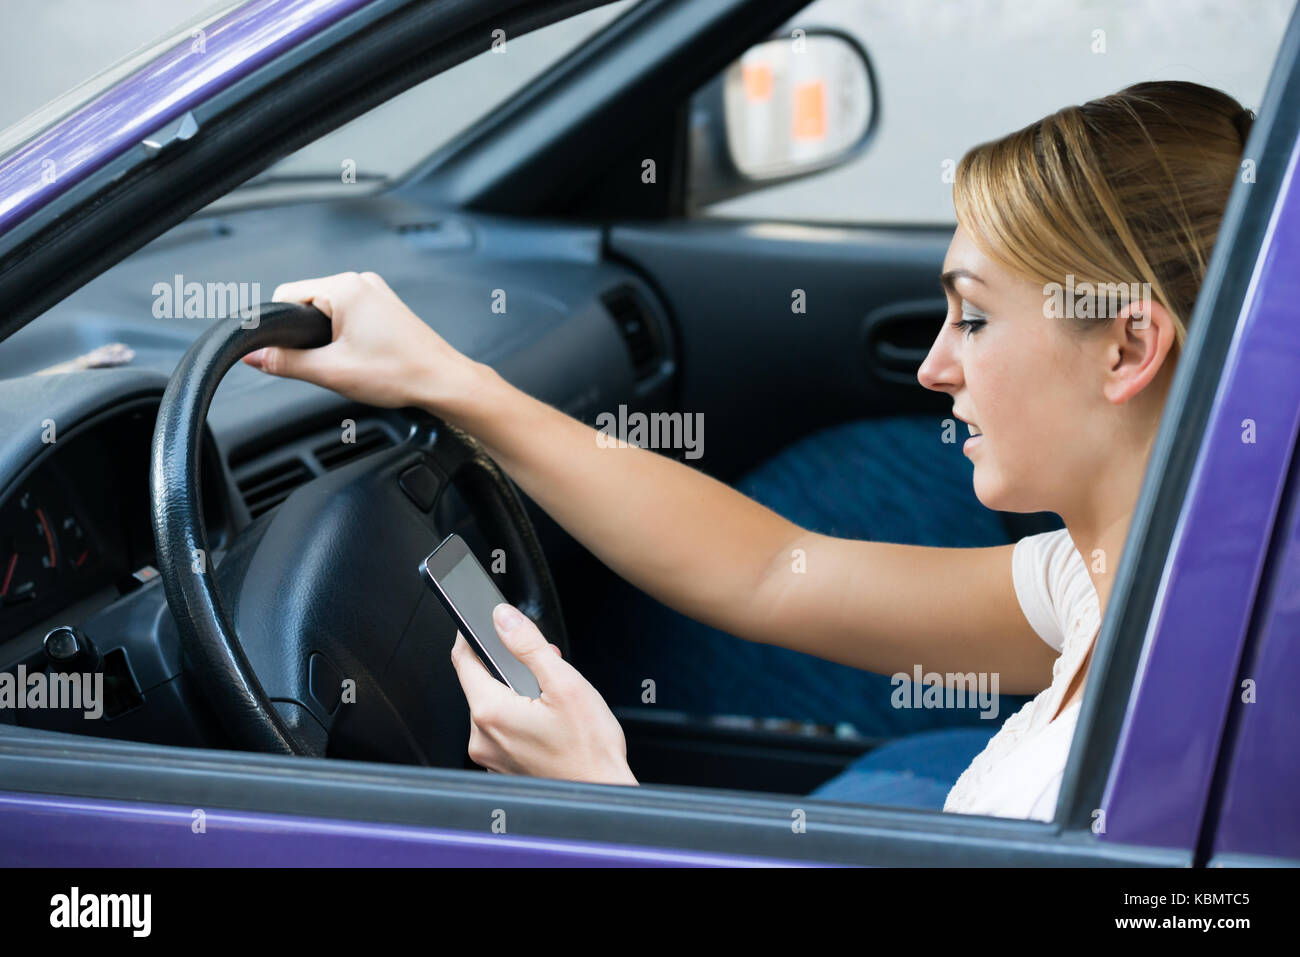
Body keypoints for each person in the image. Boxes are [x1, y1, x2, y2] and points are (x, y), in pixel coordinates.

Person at [243, 80, 1254, 821]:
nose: (933, 369)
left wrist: (599, 798)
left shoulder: (1178, 725)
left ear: (1126, 345)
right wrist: (451, 382)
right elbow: (770, 572)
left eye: (976, 320)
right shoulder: (1114, 584)